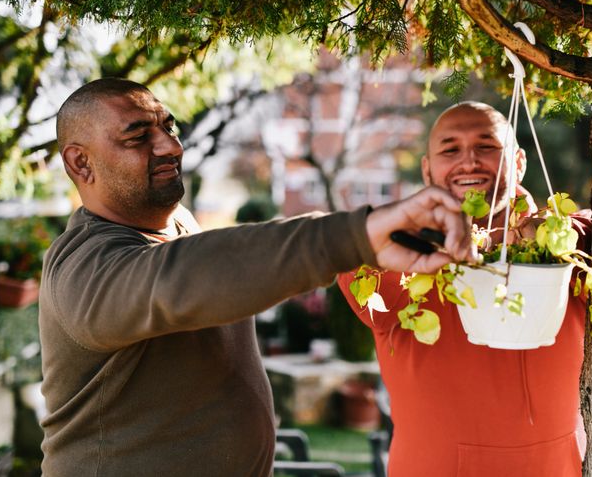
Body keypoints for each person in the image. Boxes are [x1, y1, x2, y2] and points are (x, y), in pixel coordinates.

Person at [38, 78, 471, 476]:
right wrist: (355, 236)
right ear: (81, 163)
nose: (170, 146)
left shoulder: (178, 223)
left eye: (169, 128)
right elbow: (185, 277)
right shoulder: (83, 267)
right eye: (138, 136)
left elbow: (225, 263)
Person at [338, 101, 592, 477]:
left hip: (555, 467)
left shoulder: (562, 239)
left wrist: (535, 237)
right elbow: (354, 267)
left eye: (487, 146)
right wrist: (460, 243)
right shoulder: (399, 246)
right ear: (427, 168)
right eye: (450, 149)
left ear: (519, 162)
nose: (469, 161)